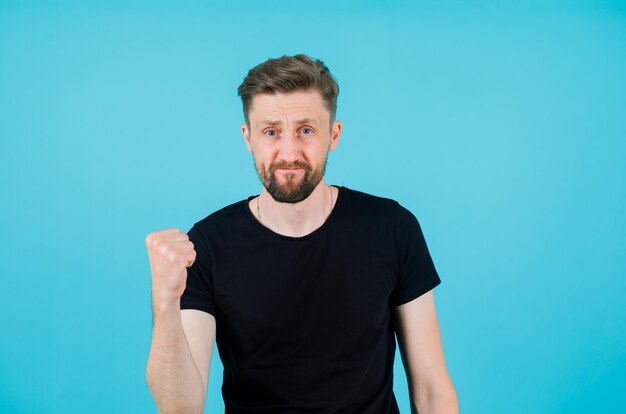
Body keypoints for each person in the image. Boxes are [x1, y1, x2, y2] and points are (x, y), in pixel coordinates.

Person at [145, 54, 459, 414]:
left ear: (333, 135)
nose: (289, 152)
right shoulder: (208, 245)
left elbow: (433, 390)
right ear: (248, 138)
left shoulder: (391, 228)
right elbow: (180, 408)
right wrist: (165, 302)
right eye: (271, 132)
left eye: (306, 130)